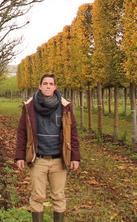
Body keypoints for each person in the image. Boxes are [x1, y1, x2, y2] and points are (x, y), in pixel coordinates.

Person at [14, 73, 81, 222]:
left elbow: (73, 133)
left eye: (51, 84)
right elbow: (22, 132)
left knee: (59, 196)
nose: (48, 86)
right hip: (38, 159)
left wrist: (75, 156)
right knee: (37, 196)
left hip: (59, 159)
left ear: (55, 87)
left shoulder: (65, 107)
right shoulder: (29, 107)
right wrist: (20, 156)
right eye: (45, 84)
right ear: (40, 86)